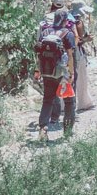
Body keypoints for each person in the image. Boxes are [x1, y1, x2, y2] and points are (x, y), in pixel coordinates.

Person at [34, 9, 76, 141]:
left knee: (47, 100)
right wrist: (71, 73)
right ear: (65, 21)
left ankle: (43, 128)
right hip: (62, 73)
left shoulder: (45, 32)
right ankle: (68, 131)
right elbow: (69, 55)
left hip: (46, 71)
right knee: (69, 101)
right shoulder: (67, 34)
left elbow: (39, 53)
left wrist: (38, 69)